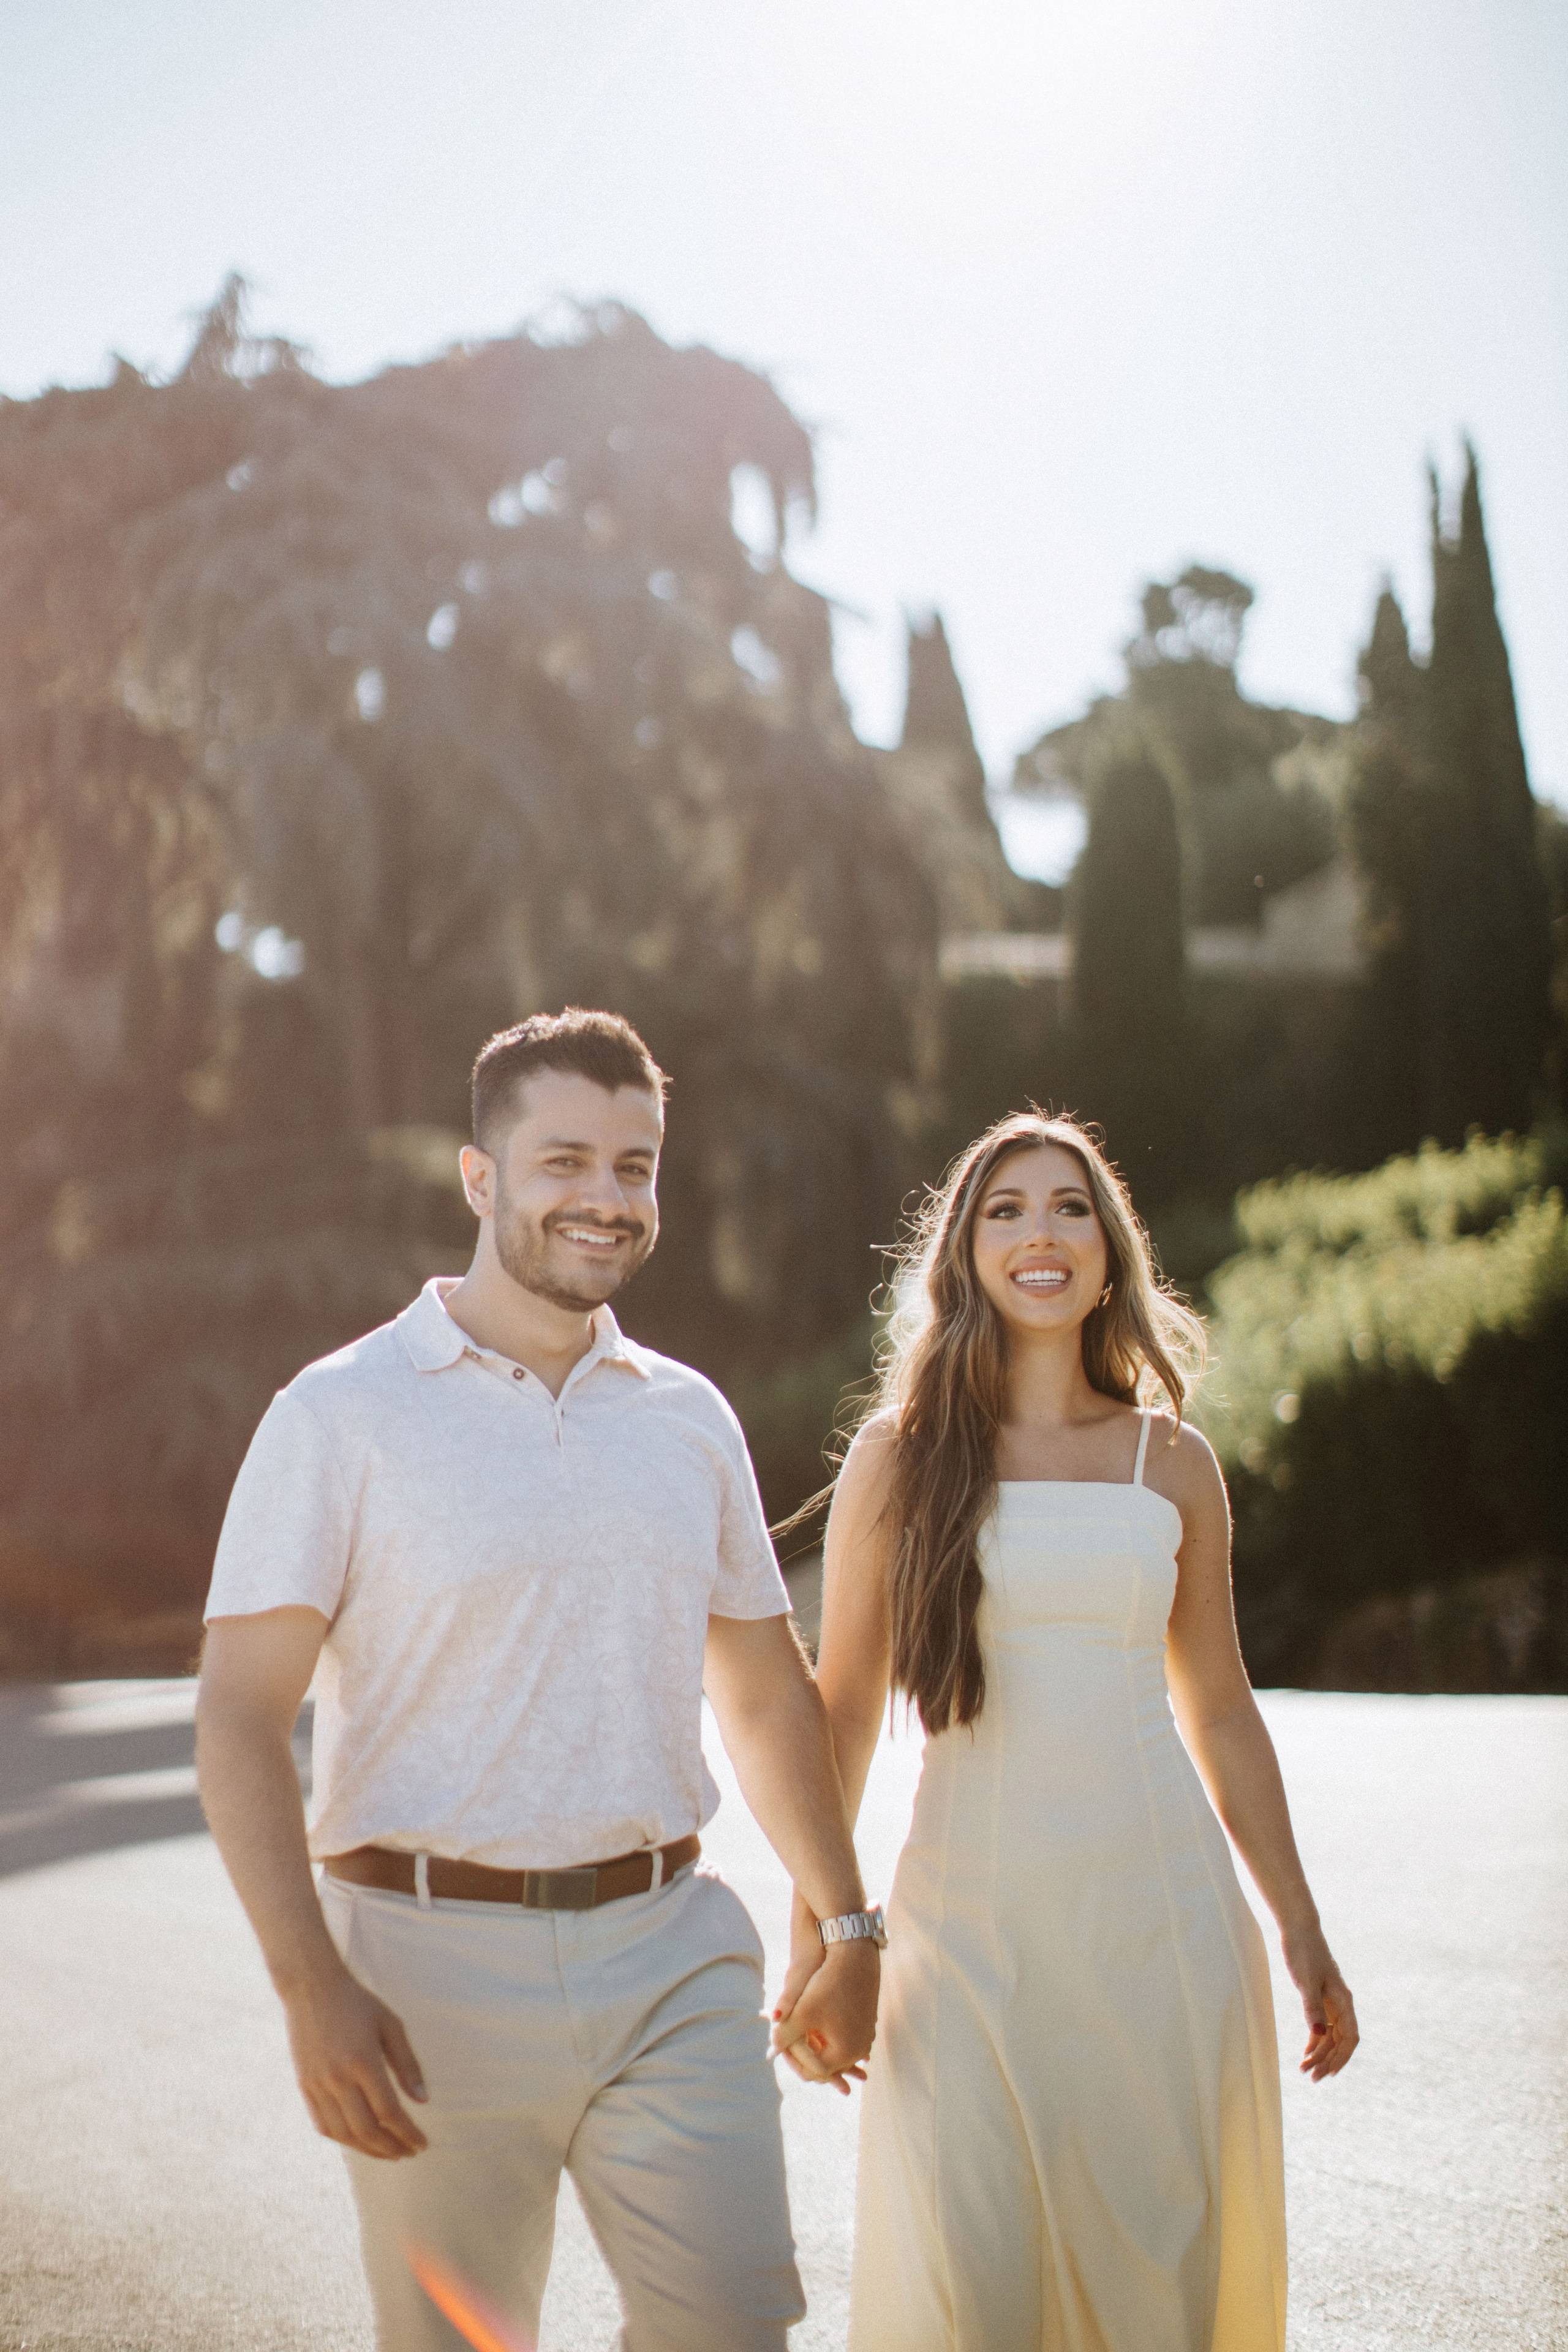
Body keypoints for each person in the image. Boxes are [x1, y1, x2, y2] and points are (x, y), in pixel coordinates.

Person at [195, 1008, 882, 2352]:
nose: (605, 1198)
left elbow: (757, 1689)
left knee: (735, 2331)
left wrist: (847, 1921)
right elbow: (236, 1712)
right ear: (479, 1177)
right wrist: (308, 1985)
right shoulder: (340, 1414)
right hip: (425, 1978)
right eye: (564, 1159)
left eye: (634, 1167)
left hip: (671, 1950)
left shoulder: (686, 1417)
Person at [772, 1110, 1359, 2352]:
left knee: (1157, 2296)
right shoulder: (900, 1457)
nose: (1039, 1232)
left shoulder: (1172, 1462)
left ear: (1109, 1250)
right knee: (967, 2292)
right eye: (1005, 1208)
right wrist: (819, 1936)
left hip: (1160, 1933)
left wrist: (1298, 1926)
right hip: (964, 1939)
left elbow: (1216, 1705)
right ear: (964, 1251)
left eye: (1068, 1206)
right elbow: (842, 1712)